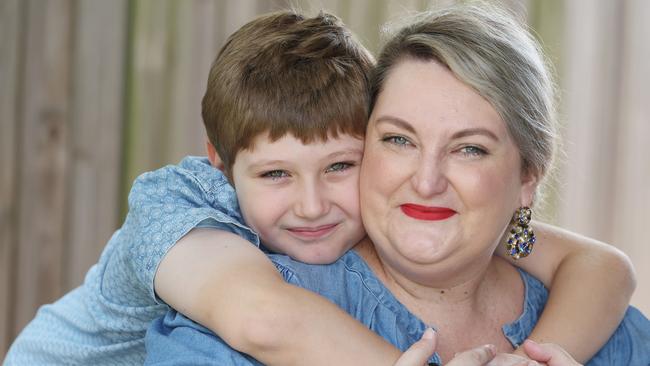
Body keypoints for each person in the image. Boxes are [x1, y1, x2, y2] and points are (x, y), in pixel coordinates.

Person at [4, 8, 637, 366]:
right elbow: (264, 318)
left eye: (341, 166)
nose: (311, 205)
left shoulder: (464, 231)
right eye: (401, 140)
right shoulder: (181, 209)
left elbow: (599, 262)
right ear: (220, 165)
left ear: (529, 176)